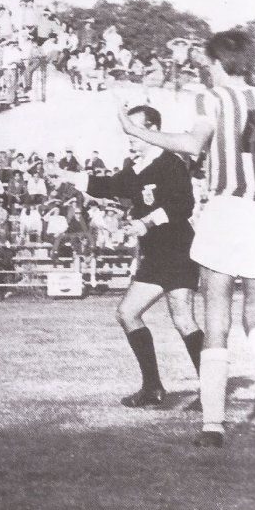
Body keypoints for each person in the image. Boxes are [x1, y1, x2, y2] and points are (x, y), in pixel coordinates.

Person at [117, 30, 255, 448]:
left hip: (226, 211)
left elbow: (192, 144)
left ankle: (213, 426)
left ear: (217, 64)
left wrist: (136, 130)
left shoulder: (212, 99)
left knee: (217, 319)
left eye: (208, 64)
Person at [60, 105, 203, 408]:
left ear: (151, 130)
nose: (130, 137)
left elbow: (183, 205)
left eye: (135, 130)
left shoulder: (171, 163)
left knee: (182, 318)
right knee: (129, 313)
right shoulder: (136, 167)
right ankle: (152, 388)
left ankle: (208, 389)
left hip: (177, 249)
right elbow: (108, 186)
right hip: (155, 253)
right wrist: (66, 175)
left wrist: (147, 222)